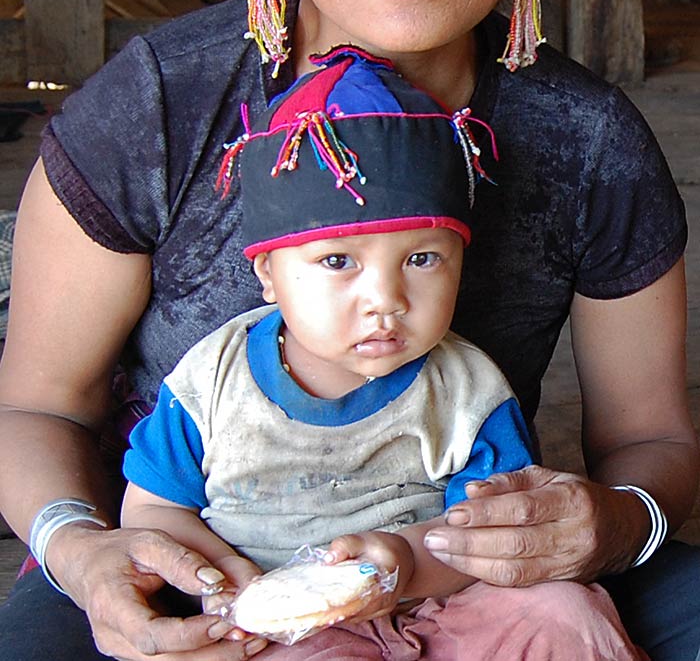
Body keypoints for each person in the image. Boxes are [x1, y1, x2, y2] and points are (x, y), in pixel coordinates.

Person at [0, 0, 697, 661]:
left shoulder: (588, 141)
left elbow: (652, 441)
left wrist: (612, 521)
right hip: (193, 565)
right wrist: (85, 551)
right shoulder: (155, 107)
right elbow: (35, 408)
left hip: (451, 568)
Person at [120, 45, 644, 660]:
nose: (385, 300)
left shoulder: (468, 391)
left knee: (564, 610)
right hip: (283, 634)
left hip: (440, 609)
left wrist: (404, 564)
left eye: (423, 259)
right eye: (338, 261)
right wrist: (222, 585)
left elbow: (490, 539)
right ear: (268, 273)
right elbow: (153, 512)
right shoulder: (212, 381)